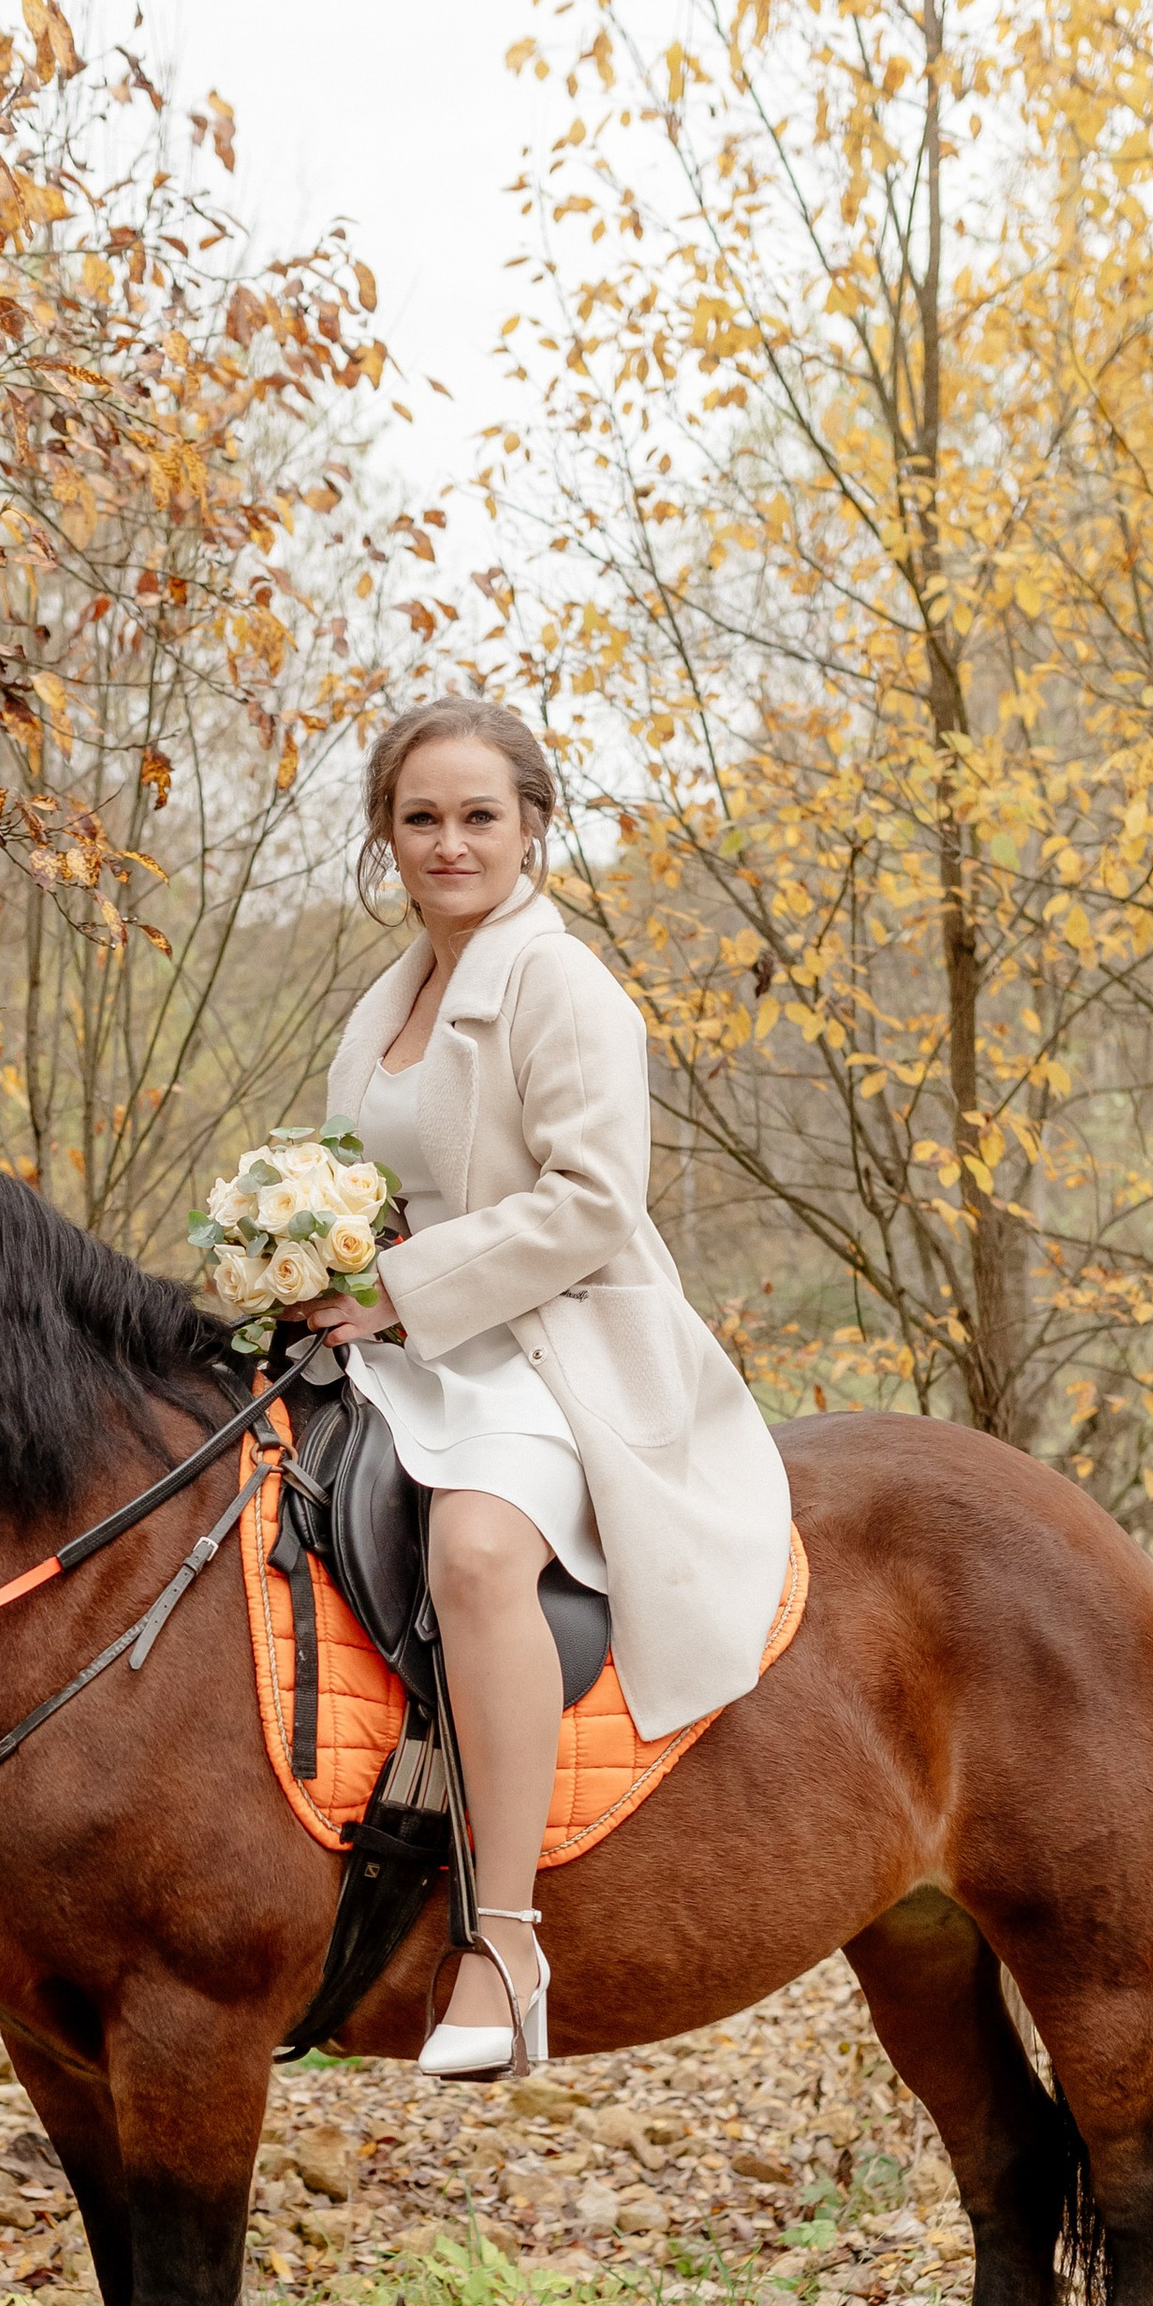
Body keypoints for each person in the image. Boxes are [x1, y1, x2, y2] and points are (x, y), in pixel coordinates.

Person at [308, 697, 797, 2077]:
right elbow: (364, 1182)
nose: (449, 843)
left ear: (531, 825)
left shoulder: (562, 984)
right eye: (421, 818)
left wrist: (394, 1288)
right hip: (402, 1338)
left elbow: (591, 1204)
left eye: (479, 816)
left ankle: (505, 1938)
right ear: (386, 835)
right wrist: (301, 1262)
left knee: (475, 1554)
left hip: (551, 1346)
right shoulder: (390, 996)